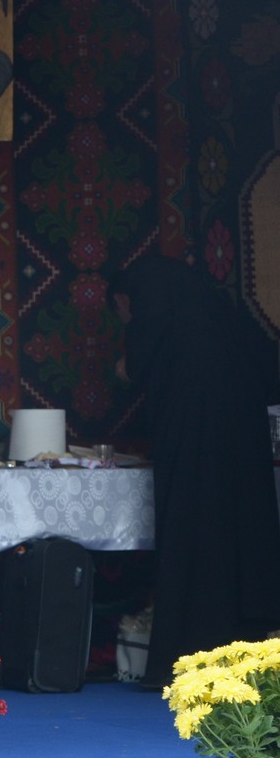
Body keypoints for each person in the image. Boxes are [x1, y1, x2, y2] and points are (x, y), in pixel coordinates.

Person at [112, 257, 280, 688]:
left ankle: (188, 659)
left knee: (193, 538)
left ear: (127, 299)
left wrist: (126, 363)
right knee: (238, 539)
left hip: (190, 447)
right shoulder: (224, 317)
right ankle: (246, 659)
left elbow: (135, 364)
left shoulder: (154, 307)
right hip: (243, 447)